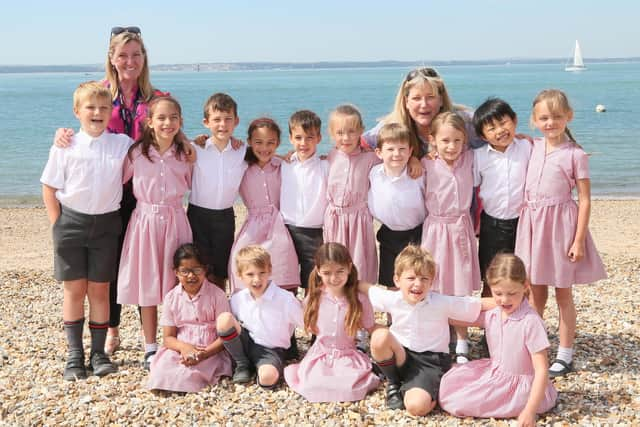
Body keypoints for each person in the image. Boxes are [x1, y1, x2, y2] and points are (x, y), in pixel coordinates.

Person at [54, 27, 173, 355]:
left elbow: (169, 133)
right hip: (109, 194)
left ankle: (150, 340)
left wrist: (200, 145)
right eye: (123, 55)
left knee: (144, 262)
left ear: (144, 58)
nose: (130, 61)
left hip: (144, 193)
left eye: (136, 54)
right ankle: (112, 330)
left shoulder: (156, 98)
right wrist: (62, 136)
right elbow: (85, 133)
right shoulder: (101, 95)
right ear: (111, 58)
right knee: (113, 263)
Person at [41, 81, 131, 380]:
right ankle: (75, 355)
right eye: (90, 107)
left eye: (104, 108)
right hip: (71, 223)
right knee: (74, 290)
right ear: (77, 111)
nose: (97, 112)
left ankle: (99, 353)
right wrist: (58, 225)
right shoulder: (65, 145)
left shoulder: (121, 144)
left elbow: (156, 146)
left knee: (100, 290)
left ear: (111, 113)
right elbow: (49, 188)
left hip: (107, 225)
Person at [515, 89, 607, 377]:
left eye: (556, 116)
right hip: (531, 225)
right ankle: (536, 348)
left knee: (563, 294)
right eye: (543, 117)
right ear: (534, 120)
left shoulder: (576, 155)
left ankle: (565, 354)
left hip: (560, 228)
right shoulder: (531, 146)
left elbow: (585, 198)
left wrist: (578, 240)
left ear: (569, 117)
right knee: (534, 294)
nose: (550, 122)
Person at [359, 245, 488, 416]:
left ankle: (429, 392)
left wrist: (511, 302)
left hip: (429, 362)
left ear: (432, 282)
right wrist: (338, 279)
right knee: (379, 337)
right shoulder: (392, 298)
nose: (417, 284)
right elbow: (366, 288)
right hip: (400, 354)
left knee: (416, 407)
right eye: (411, 278)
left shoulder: (441, 302)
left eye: (424, 279)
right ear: (397, 280)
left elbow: (479, 305)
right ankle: (393, 382)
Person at [117, 96, 193, 370]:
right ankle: (150, 347)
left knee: (177, 284)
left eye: (173, 117)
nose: (167, 123)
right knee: (148, 285)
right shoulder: (136, 153)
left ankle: (177, 341)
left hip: (175, 221)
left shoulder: (187, 153)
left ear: (180, 121)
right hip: (145, 222)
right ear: (149, 122)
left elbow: (201, 179)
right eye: (161, 118)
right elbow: (114, 179)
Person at [439, 254, 557, 425]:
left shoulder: (531, 322)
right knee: (449, 384)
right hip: (496, 372)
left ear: (525, 286)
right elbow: (460, 317)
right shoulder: (495, 314)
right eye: (498, 293)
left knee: (457, 401)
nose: (504, 300)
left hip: (522, 387)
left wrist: (530, 410)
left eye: (511, 293)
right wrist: (432, 309)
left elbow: (541, 370)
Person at [421, 112, 481, 364]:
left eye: (457, 140)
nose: (451, 146)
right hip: (435, 229)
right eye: (445, 141)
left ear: (464, 140)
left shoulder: (470, 158)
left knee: (460, 287)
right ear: (432, 140)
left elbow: (496, 146)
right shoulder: (425, 164)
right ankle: (438, 337)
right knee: (435, 284)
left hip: (460, 228)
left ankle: (463, 340)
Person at [284, 243, 380, 402]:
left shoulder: (359, 299)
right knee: (310, 386)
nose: (334, 278)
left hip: (348, 355)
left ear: (349, 268)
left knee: (350, 389)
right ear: (318, 270)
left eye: (340, 271)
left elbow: (370, 326)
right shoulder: (314, 297)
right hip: (320, 355)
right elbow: (308, 325)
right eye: (327, 273)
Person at [227, 118, 300, 293]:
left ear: (278, 143)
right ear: (249, 142)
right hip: (252, 225)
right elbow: (221, 154)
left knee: (281, 269)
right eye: (258, 142)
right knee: (243, 263)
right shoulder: (241, 165)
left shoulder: (283, 165)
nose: (264, 148)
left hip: (279, 226)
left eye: (270, 143)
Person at [147, 244, 232, 392]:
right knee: (162, 370)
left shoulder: (217, 295)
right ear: (176, 272)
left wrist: (204, 354)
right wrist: (184, 348)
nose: (191, 276)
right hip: (181, 348)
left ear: (205, 270)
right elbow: (168, 338)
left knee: (189, 373)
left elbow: (224, 337)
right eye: (184, 271)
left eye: (196, 270)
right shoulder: (172, 297)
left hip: (209, 350)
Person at [216, 245, 303, 388]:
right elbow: (230, 328)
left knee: (268, 378)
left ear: (270, 271)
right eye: (250, 274)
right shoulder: (237, 299)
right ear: (240, 274)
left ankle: (258, 368)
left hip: (269, 350)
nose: (257, 279)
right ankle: (242, 363)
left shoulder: (285, 299)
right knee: (224, 319)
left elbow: (307, 324)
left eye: (262, 273)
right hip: (244, 344)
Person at [473, 98, 532, 297]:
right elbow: (471, 188)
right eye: (491, 128)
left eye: (503, 123)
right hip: (492, 225)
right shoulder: (478, 156)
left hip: (523, 223)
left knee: (522, 276)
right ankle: (489, 326)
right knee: (491, 277)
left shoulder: (528, 147)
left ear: (514, 120)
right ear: (482, 135)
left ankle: (520, 323)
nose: (500, 131)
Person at [188, 93, 246, 290]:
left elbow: (268, 155)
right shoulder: (196, 148)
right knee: (197, 266)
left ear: (236, 121)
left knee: (221, 269)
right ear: (206, 122)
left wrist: (292, 156)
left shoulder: (243, 151)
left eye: (228, 119)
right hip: (197, 215)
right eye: (217, 120)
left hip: (225, 216)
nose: (223, 124)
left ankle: (219, 309)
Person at [362, 67, 485, 157]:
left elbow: (500, 131)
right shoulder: (391, 128)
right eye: (416, 98)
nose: (424, 104)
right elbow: (360, 144)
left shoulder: (465, 123)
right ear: (406, 102)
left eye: (430, 97)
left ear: (441, 99)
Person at [324, 104, 380, 284]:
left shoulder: (371, 158)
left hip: (359, 220)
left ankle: (362, 305)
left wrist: (412, 161)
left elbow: (394, 163)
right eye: (340, 133)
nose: (346, 138)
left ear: (361, 131)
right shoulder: (330, 157)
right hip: (334, 219)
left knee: (360, 265)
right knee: (334, 263)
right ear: (332, 133)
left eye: (351, 131)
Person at [368, 122, 425, 288]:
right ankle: (393, 314)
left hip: (416, 234)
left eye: (402, 149)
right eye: (390, 149)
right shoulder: (374, 173)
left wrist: (415, 161)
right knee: (391, 281)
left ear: (410, 151)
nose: (396, 154)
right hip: (388, 234)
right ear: (379, 152)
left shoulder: (418, 174)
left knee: (416, 280)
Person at [280, 110, 328, 293]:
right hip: (286, 227)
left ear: (319, 138)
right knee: (286, 277)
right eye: (298, 137)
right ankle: (288, 318)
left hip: (314, 230)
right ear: (291, 138)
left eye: (310, 137)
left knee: (312, 278)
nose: (303, 143)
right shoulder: (284, 164)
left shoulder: (326, 165)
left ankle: (310, 319)